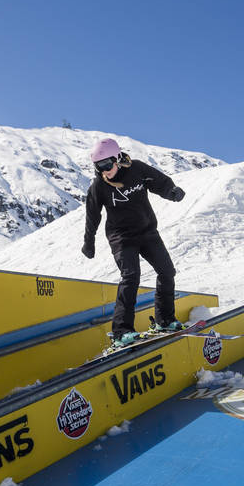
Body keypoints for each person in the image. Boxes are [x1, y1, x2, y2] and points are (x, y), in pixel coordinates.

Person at [82, 138, 187, 345]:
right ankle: (121, 331)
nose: (105, 171)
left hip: (147, 232)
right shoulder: (98, 186)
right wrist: (89, 242)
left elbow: (159, 182)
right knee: (131, 277)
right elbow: (92, 215)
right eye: (99, 167)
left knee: (167, 272)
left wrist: (171, 191)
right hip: (121, 237)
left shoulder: (137, 169)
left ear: (117, 158)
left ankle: (165, 320)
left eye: (107, 165)